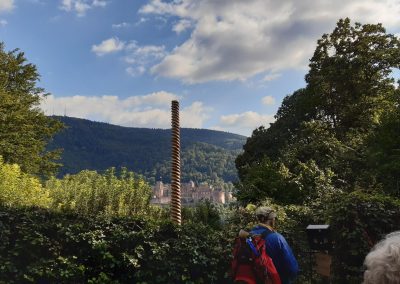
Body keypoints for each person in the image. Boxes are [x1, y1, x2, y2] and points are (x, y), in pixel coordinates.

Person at [250, 206, 299, 284]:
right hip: (278, 279)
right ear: (272, 220)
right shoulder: (277, 238)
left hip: (255, 279)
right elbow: (292, 268)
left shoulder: (250, 235)